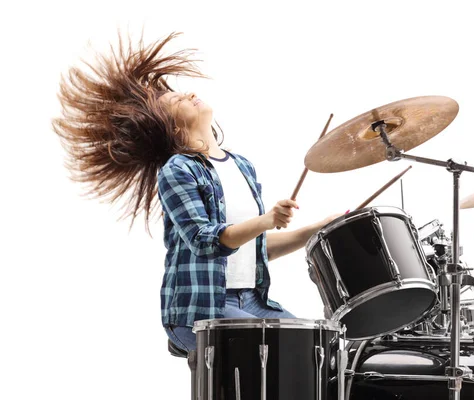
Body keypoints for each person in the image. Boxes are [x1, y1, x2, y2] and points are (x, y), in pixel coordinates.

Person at [52, 32, 340, 352]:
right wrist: (267, 219)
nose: (188, 94)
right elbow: (205, 241)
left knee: (320, 349)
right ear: (172, 127)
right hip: (201, 310)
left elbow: (254, 249)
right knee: (289, 352)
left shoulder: (242, 166)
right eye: (177, 101)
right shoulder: (178, 170)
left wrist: (315, 231)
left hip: (252, 301)